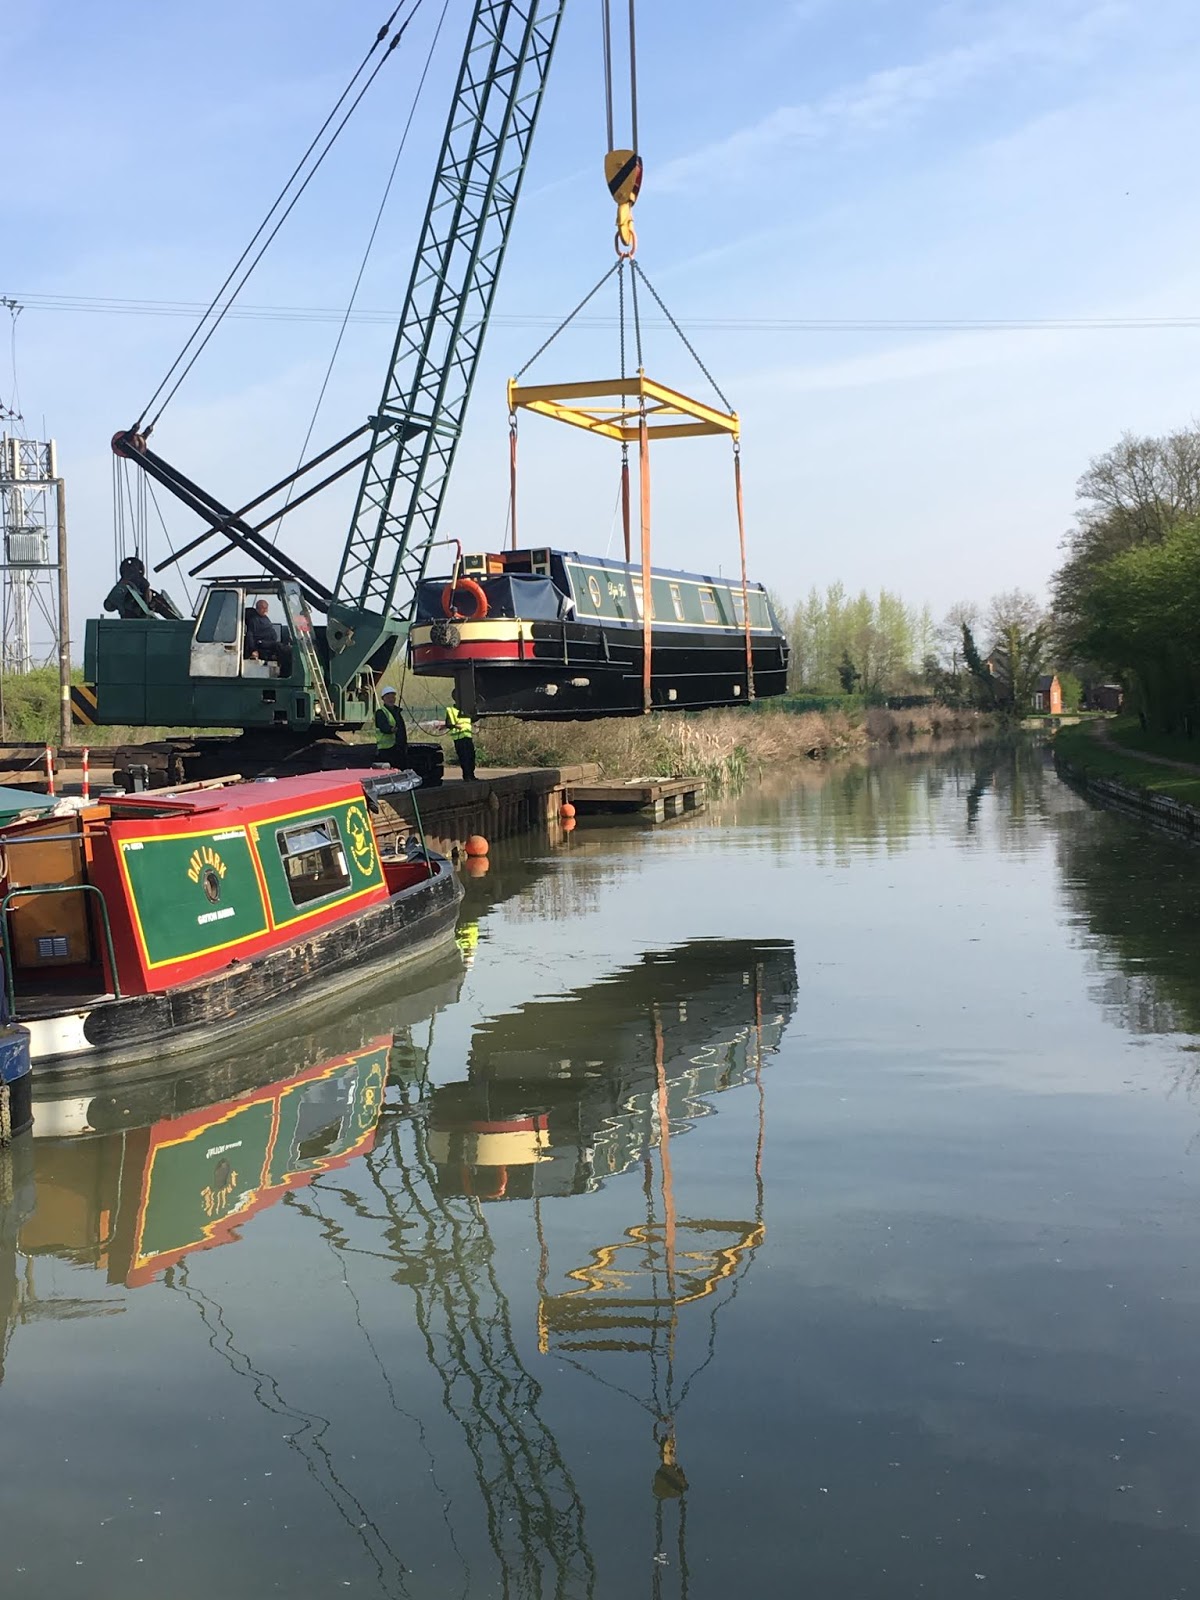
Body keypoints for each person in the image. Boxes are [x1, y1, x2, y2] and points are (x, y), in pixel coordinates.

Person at [244, 597, 293, 676]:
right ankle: (286, 673)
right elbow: (250, 635)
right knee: (280, 647)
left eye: (266, 608)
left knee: (284, 648)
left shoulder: (265, 618)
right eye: (263, 608)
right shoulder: (254, 620)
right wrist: (253, 650)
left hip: (270, 642)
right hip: (261, 644)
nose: (266, 610)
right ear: (258, 608)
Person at [374, 686, 408, 765]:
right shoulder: (380, 712)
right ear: (383, 699)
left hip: (398, 747)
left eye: (392, 697)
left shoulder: (397, 712)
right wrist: (391, 729)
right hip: (386, 749)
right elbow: (383, 727)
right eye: (388, 697)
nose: (391, 699)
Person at [444, 701, 476, 782]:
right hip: (459, 738)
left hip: (467, 736)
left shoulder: (467, 710)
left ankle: (471, 775)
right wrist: (455, 726)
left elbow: (473, 718)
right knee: (464, 758)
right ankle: (467, 776)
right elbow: (448, 724)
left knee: (471, 756)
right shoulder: (451, 710)